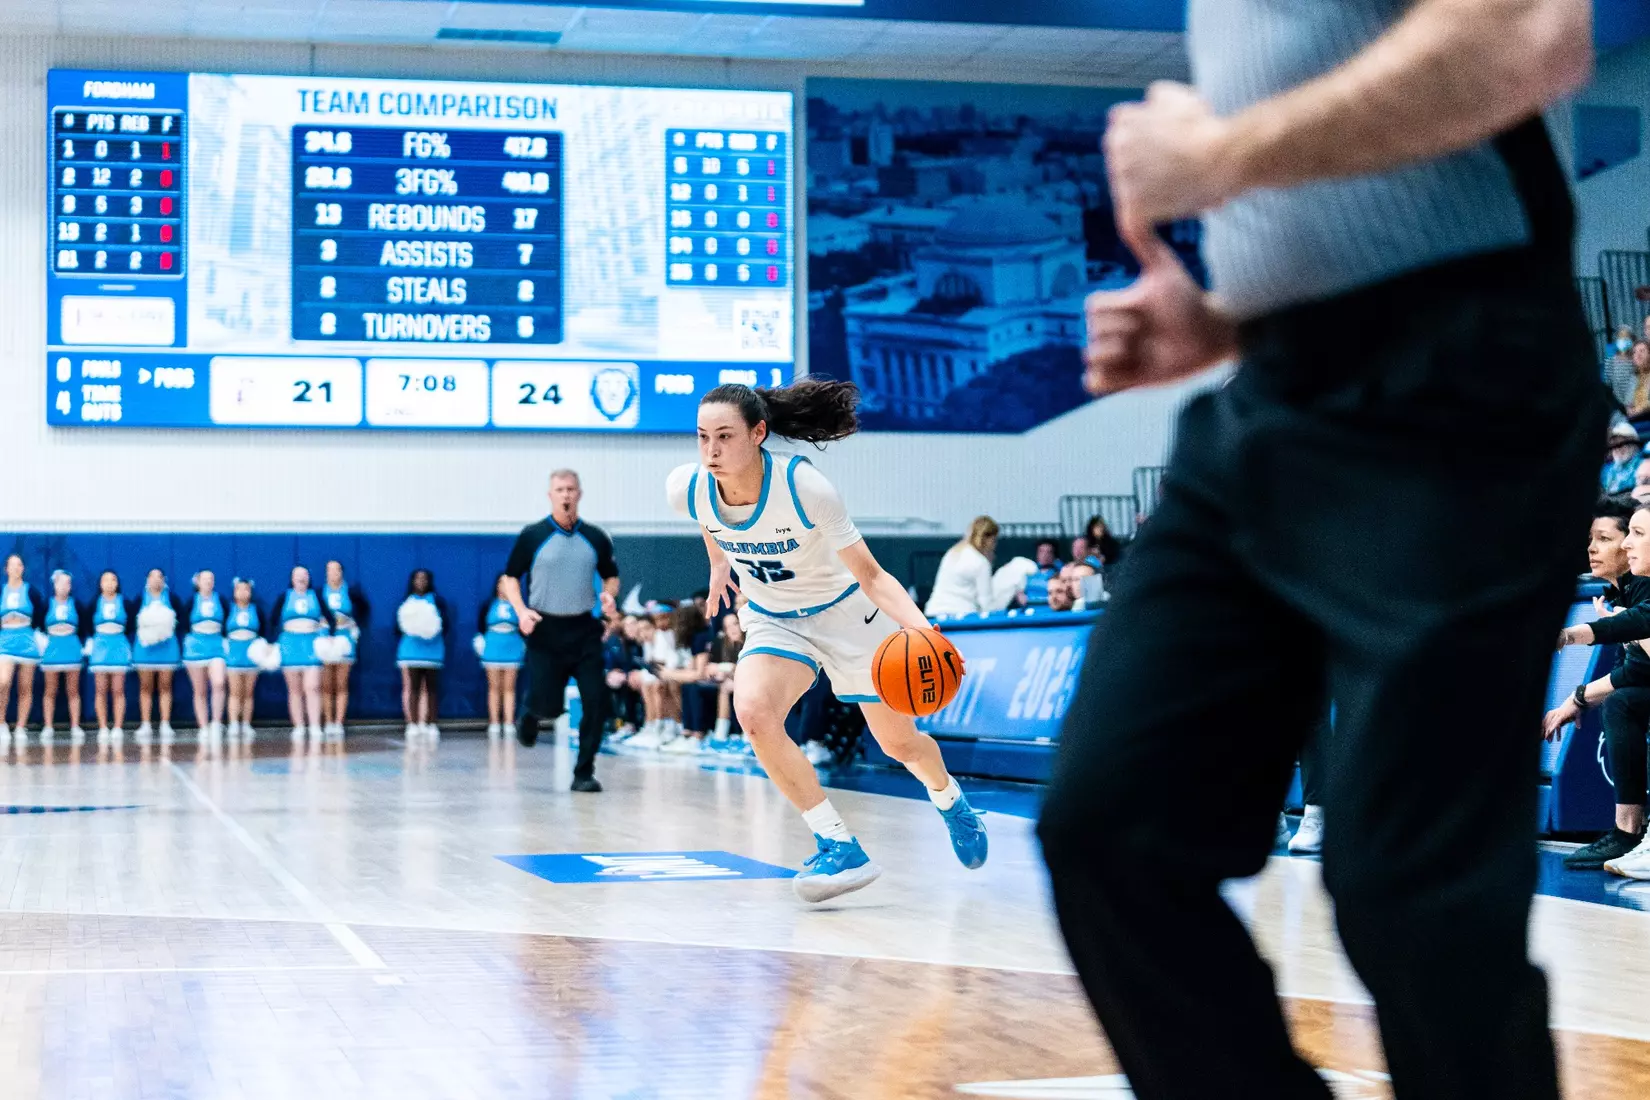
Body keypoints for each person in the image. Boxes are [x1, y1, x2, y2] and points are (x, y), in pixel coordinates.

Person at [1038, 2, 1598, 1096]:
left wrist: (1215, 156)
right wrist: (1227, 319)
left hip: (1463, 380)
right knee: (1113, 825)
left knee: (1411, 887)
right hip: (1275, 388)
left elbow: (1530, 37)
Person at [667, 379, 988, 902]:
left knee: (898, 744)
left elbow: (873, 576)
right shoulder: (689, 486)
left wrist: (925, 632)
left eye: (725, 437)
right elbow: (710, 519)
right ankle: (838, 844)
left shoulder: (805, 488)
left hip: (846, 615)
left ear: (759, 433)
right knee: (752, 712)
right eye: (703, 437)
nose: (711, 450)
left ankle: (949, 798)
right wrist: (718, 560)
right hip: (774, 618)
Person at [1543, 498, 1650, 874]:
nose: (1594, 548)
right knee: (1624, 702)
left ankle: (1634, 831)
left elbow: (1638, 660)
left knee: (1626, 701)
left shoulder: (1639, 594)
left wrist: (1578, 694)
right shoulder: (1623, 597)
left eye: (1606, 537)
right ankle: (1629, 831)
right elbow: (1633, 666)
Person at [501, 469, 621, 793]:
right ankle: (529, 716)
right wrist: (521, 610)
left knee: (596, 700)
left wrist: (609, 594)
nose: (565, 495)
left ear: (579, 494)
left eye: (570, 489)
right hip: (545, 629)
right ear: (550, 495)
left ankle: (584, 772)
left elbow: (611, 575)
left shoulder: (596, 536)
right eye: (559, 490)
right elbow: (510, 577)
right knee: (548, 707)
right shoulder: (533, 535)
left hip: (584, 629)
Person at [272, 566, 332, 745]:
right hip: (290, 645)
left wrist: (328, 637)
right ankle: (299, 725)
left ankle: (314, 726)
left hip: (311, 644)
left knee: (312, 687)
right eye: (297, 575)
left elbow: (329, 618)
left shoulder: (317, 596)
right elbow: (273, 620)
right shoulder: (284, 596)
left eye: (305, 574)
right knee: (295, 689)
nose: (301, 578)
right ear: (291, 578)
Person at [131, 568, 183, 745]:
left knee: (165, 686)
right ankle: (145, 724)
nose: (156, 580)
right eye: (152, 577)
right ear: (147, 580)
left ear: (164, 580)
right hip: (145, 649)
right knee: (145, 687)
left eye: (159, 577)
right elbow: (132, 622)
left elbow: (181, 620)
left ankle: (165, 724)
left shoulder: (172, 599)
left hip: (167, 649)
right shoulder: (139, 599)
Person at [396, 568, 447, 741]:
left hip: (433, 651)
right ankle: (413, 724)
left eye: (424, 578)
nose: (421, 582)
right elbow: (398, 627)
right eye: (417, 578)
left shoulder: (437, 601)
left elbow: (445, 625)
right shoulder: (406, 601)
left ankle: (431, 723)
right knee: (413, 687)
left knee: (431, 688)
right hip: (411, 651)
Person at [0, 554, 45, 746]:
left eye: (20, 565)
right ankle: (1, 724)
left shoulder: (31, 591)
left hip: (26, 641)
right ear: (6, 569)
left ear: (23, 569)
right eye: (12, 565)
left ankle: (20, 726)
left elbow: (41, 613)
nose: (16, 568)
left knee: (25, 687)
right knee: (3, 682)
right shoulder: (1, 591)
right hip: (6, 641)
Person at [38, 570, 86, 745]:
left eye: (67, 583)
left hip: (71, 649)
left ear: (70, 586)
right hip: (52, 650)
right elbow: (38, 625)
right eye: (60, 583)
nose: (64, 586)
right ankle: (48, 726)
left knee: (73, 690)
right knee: (50, 690)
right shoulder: (46, 604)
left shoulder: (77, 605)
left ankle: (75, 726)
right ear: (54, 585)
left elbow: (84, 626)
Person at [318, 560, 363, 742]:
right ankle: (328, 722)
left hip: (345, 640)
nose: (333, 573)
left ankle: (338, 722)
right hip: (326, 639)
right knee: (327, 684)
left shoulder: (350, 591)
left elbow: (362, 611)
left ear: (342, 572)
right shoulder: (319, 592)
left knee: (341, 683)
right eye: (329, 570)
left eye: (336, 570)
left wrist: (352, 626)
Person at [181, 570, 228, 743]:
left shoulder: (221, 600)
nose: (208, 582)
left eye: (211, 579)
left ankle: (216, 722)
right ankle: (203, 726)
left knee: (218, 682)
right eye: (205, 579)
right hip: (196, 647)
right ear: (198, 582)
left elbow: (227, 621)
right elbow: (184, 623)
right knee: (199, 689)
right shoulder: (191, 601)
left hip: (216, 646)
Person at [477, 572, 524, 739]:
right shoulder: (488, 604)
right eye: (502, 583)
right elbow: (481, 626)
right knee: (494, 687)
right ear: (497, 585)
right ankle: (494, 722)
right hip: (493, 647)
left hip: (512, 646)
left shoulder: (519, 605)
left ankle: (509, 722)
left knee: (510, 688)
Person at [87, 570, 131, 744]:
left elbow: (131, 624)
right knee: (100, 689)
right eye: (105, 580)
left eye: (113, 579)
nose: (109, 583)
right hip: (100, 647)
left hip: (119, 645)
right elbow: (86, 623)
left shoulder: (125, 602)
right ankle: (103, 727)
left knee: (118, 689)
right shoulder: (94, 603)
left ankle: (118, 727)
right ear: (100, 584)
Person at [924, 516, 999, 618]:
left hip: (933, 613)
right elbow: (986, 603)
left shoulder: (952, 552)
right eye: (994, 541)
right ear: (989, 539)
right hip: (961, 616)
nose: (995, 545)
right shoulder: (981, 562)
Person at [223, 578, 263, 741]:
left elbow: (264, 630)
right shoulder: (228, 609)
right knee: (234, 691)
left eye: (246, 589)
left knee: (248, 692)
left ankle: (246, 723)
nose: (242, 593)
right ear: (234, 592)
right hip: (233, 653)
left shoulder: (256, 610)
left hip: (251, 653)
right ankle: (233, 723)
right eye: (239, 589)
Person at [1602, 421, 1641, 495]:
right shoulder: (1607, 470)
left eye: (1622, 443)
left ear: (1634, 444)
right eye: (1613, 444)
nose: (1617, 448)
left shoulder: (1644, 465)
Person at [1023, 539, 1063, 605]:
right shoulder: (1028, 570)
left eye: (1049, 552)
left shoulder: (1060, 572)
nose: (1045, 555)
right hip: (1028, 608)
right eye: (1041, 551)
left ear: (1054, 555)